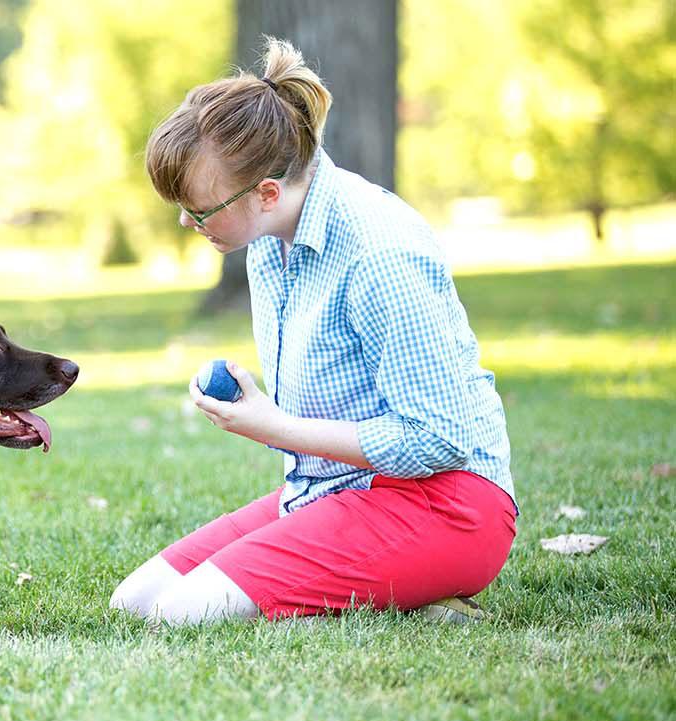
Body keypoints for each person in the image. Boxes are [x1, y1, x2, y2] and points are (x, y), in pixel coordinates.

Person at [110, 38, 516, 624]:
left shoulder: (379, 254)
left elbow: (438, 440)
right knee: (137, 605)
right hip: (333, 491)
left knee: (185, 614)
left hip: (447, 504)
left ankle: (417, 589)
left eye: (198, 211)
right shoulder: (267, 240)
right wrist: (270, 418)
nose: (186, 221)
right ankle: (396, 593)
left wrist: (277, 426)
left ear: (267, 193)